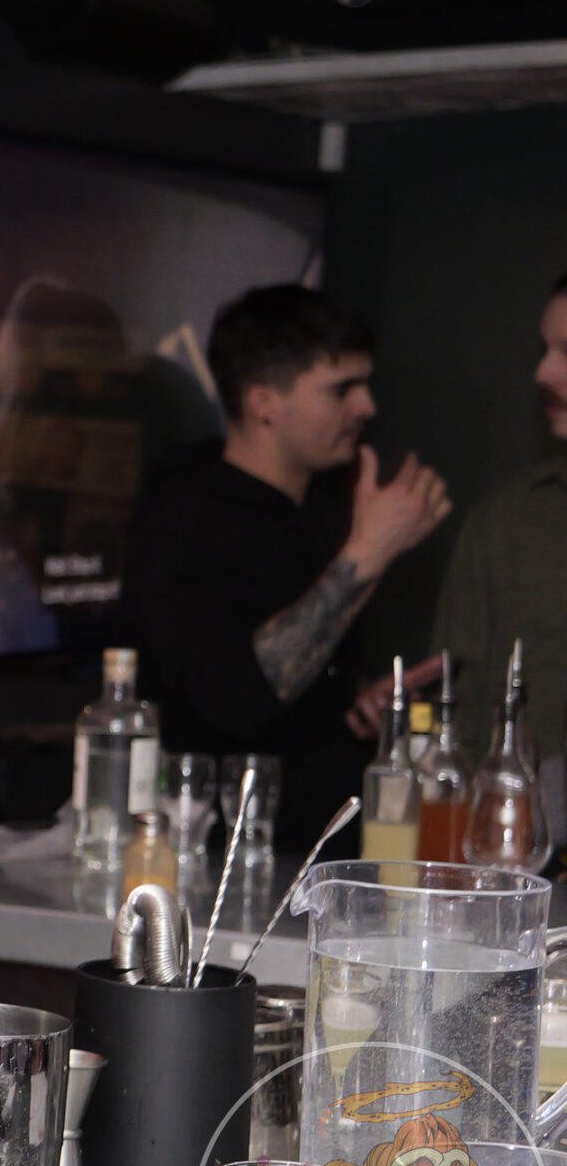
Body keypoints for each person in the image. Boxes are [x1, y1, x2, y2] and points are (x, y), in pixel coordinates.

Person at [119, 285, 450, 849]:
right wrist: (368, 554)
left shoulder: (326, 500)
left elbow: (302, 662)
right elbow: (233, 697)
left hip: (327, 847)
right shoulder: (185, 513)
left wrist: (358, 695)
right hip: (224, 862)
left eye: (365, 384)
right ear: (264, 402)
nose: (366, 406)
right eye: (342, 389)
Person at [431, 274, 567, 757]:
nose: (543, 373)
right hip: (513, 803)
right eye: (544, 349)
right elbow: (454, 714)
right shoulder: (508, 519)